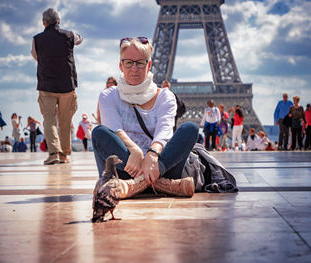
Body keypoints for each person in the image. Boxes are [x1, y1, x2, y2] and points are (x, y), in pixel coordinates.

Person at [92, 37, 199, 198]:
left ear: (149, 65)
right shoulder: (108, 95)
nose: (134, 68)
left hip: (160, 166)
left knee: (190, 128)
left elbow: (165, 129)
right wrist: (134, 150)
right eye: (128, 62)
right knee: (99, 132)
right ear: (120, 65)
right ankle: (165, 186)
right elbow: (114, 127)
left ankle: (135, 186)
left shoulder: (165, 96)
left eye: (140, 62)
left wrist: (152, 154)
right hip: (126, 167)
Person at [31, 8, 83, 164]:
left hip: (46, 85)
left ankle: (53, 153)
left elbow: (36, 56)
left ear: (43, 22)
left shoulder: (37, 39)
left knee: (49, 120)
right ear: (58, 21)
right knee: (65, 121)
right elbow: (80, 39)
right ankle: (65, 155)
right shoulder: (69, 35)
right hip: (67, 84)